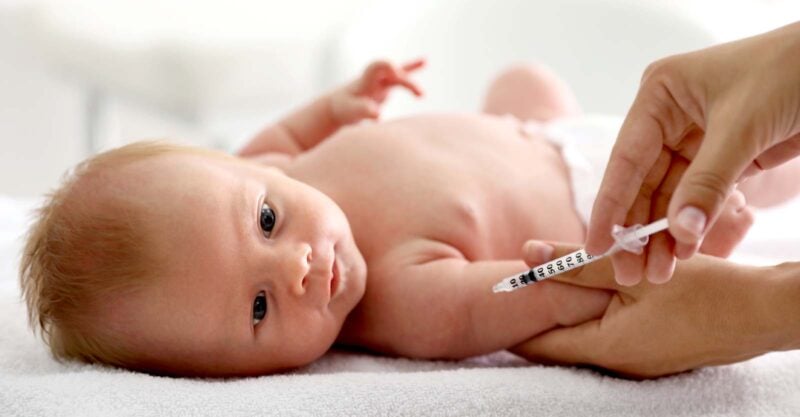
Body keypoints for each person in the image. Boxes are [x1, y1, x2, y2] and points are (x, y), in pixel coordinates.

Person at [19, 57, 777, 377]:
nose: (299, 267)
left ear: (244, 171)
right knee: (750, 171)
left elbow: (287, 134)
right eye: (258, 307)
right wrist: (594, 272)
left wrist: (343, 101)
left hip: (535, 135)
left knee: (525, 80)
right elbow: (526, 287)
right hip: (608, 198)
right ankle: (710, 232)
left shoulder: (267, 167)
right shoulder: (399, 304)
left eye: (268, 224)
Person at [517, 21, 800, 378]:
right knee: (739, 171)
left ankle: (769, 161)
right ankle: (719, 219)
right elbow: (473, 302)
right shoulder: (422, 258)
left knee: (522, 79)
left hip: (554, 135)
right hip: (589, 212)